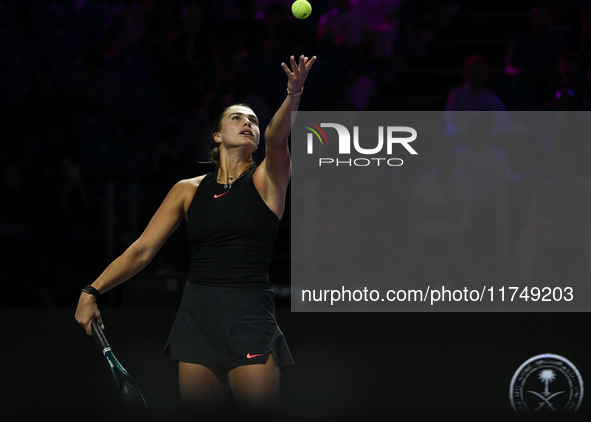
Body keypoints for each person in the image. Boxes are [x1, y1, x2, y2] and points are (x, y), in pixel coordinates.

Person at [75, 55, 316, 414]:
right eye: (237, 117)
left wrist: (293, 93)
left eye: (252, 119)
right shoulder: (186, 190)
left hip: (250, 316)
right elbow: (142, 251)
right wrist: (91, 290)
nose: (247, 123)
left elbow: (276, 138)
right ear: (217, 135)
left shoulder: (269, 180)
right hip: (198, 317)